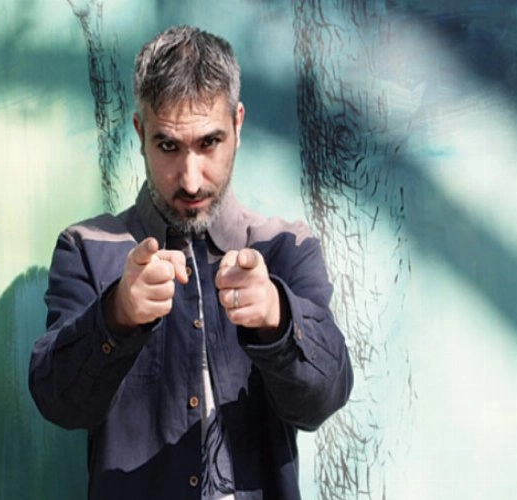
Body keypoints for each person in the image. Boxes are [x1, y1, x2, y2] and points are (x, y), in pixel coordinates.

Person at [29, 25, 353, 500]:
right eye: (168, 146)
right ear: (140, 133)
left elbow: (324, 399)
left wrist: (277, 318)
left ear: (237, 126)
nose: (191, 179)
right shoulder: (87, 247)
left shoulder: (285, 247)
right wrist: (116, 316)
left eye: (209, 143)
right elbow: (59, 403)